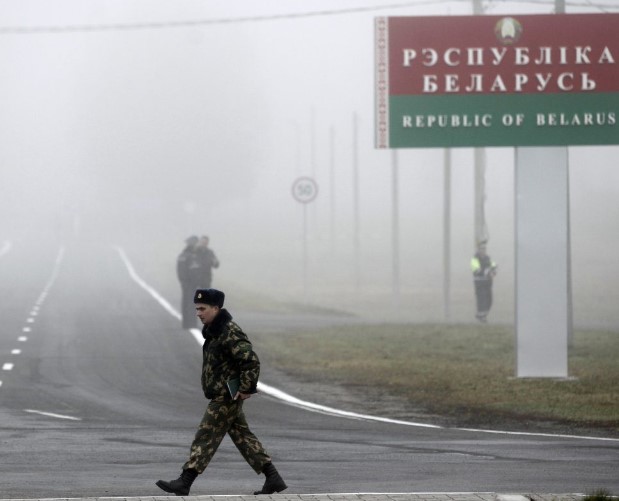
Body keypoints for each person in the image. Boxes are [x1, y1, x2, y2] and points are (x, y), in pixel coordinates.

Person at [156, 288, 287, 496]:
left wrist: (246, 388)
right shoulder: (214, 330)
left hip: (226, 396)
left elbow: (250, 361)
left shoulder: (229, 331)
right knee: (243, 437)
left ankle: (185, 481)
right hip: (223, 394)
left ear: (216, 308)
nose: (198, 313)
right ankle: (273, 478)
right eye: (197, 309)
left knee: (205, 435)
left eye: (202, 308)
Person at [176, 236, 201, 329]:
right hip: (188, 283)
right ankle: (188, 323)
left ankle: (190, 323)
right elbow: (181, 271)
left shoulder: (191, 255)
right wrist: (184, 282)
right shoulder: (186, 255)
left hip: (192, 283)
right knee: (188, 303)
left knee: (191, 303)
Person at [470, 241, 497, 323]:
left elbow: (494, 265)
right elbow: (477, 270)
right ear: (478, 249)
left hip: (488, 283)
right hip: (479, 283)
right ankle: (481, 317)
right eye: (481, 249)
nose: (483, 250)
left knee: (489, 300)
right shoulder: (474, 259)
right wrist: (488, 272)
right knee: (482, 299)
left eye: (484, 249)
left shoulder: (487, 258)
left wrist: (494, 271)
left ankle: (482, 315)